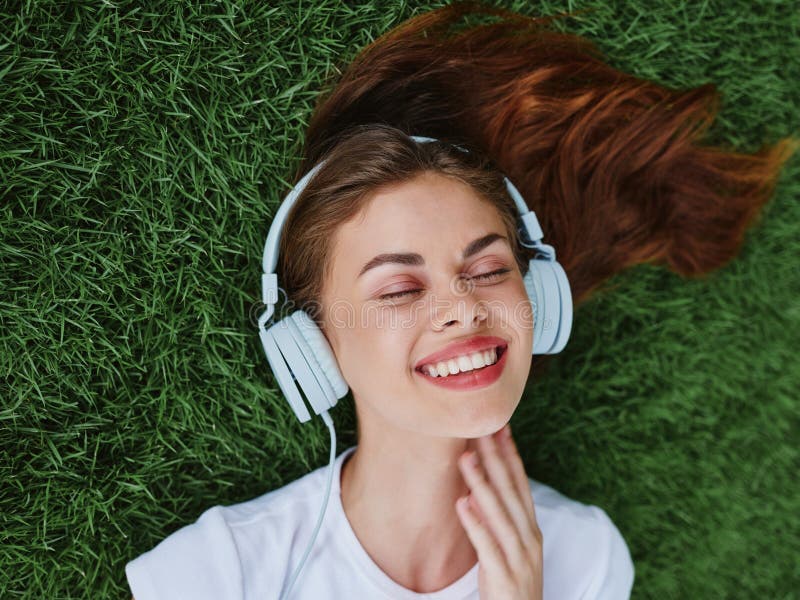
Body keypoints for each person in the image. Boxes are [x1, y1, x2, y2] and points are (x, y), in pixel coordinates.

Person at [125, 2, 795, 599]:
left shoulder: (587, 558)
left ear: (537, 294)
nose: (463, 308)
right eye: (400, 288)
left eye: (487, 268)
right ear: (310, 344)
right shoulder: (214, 573)